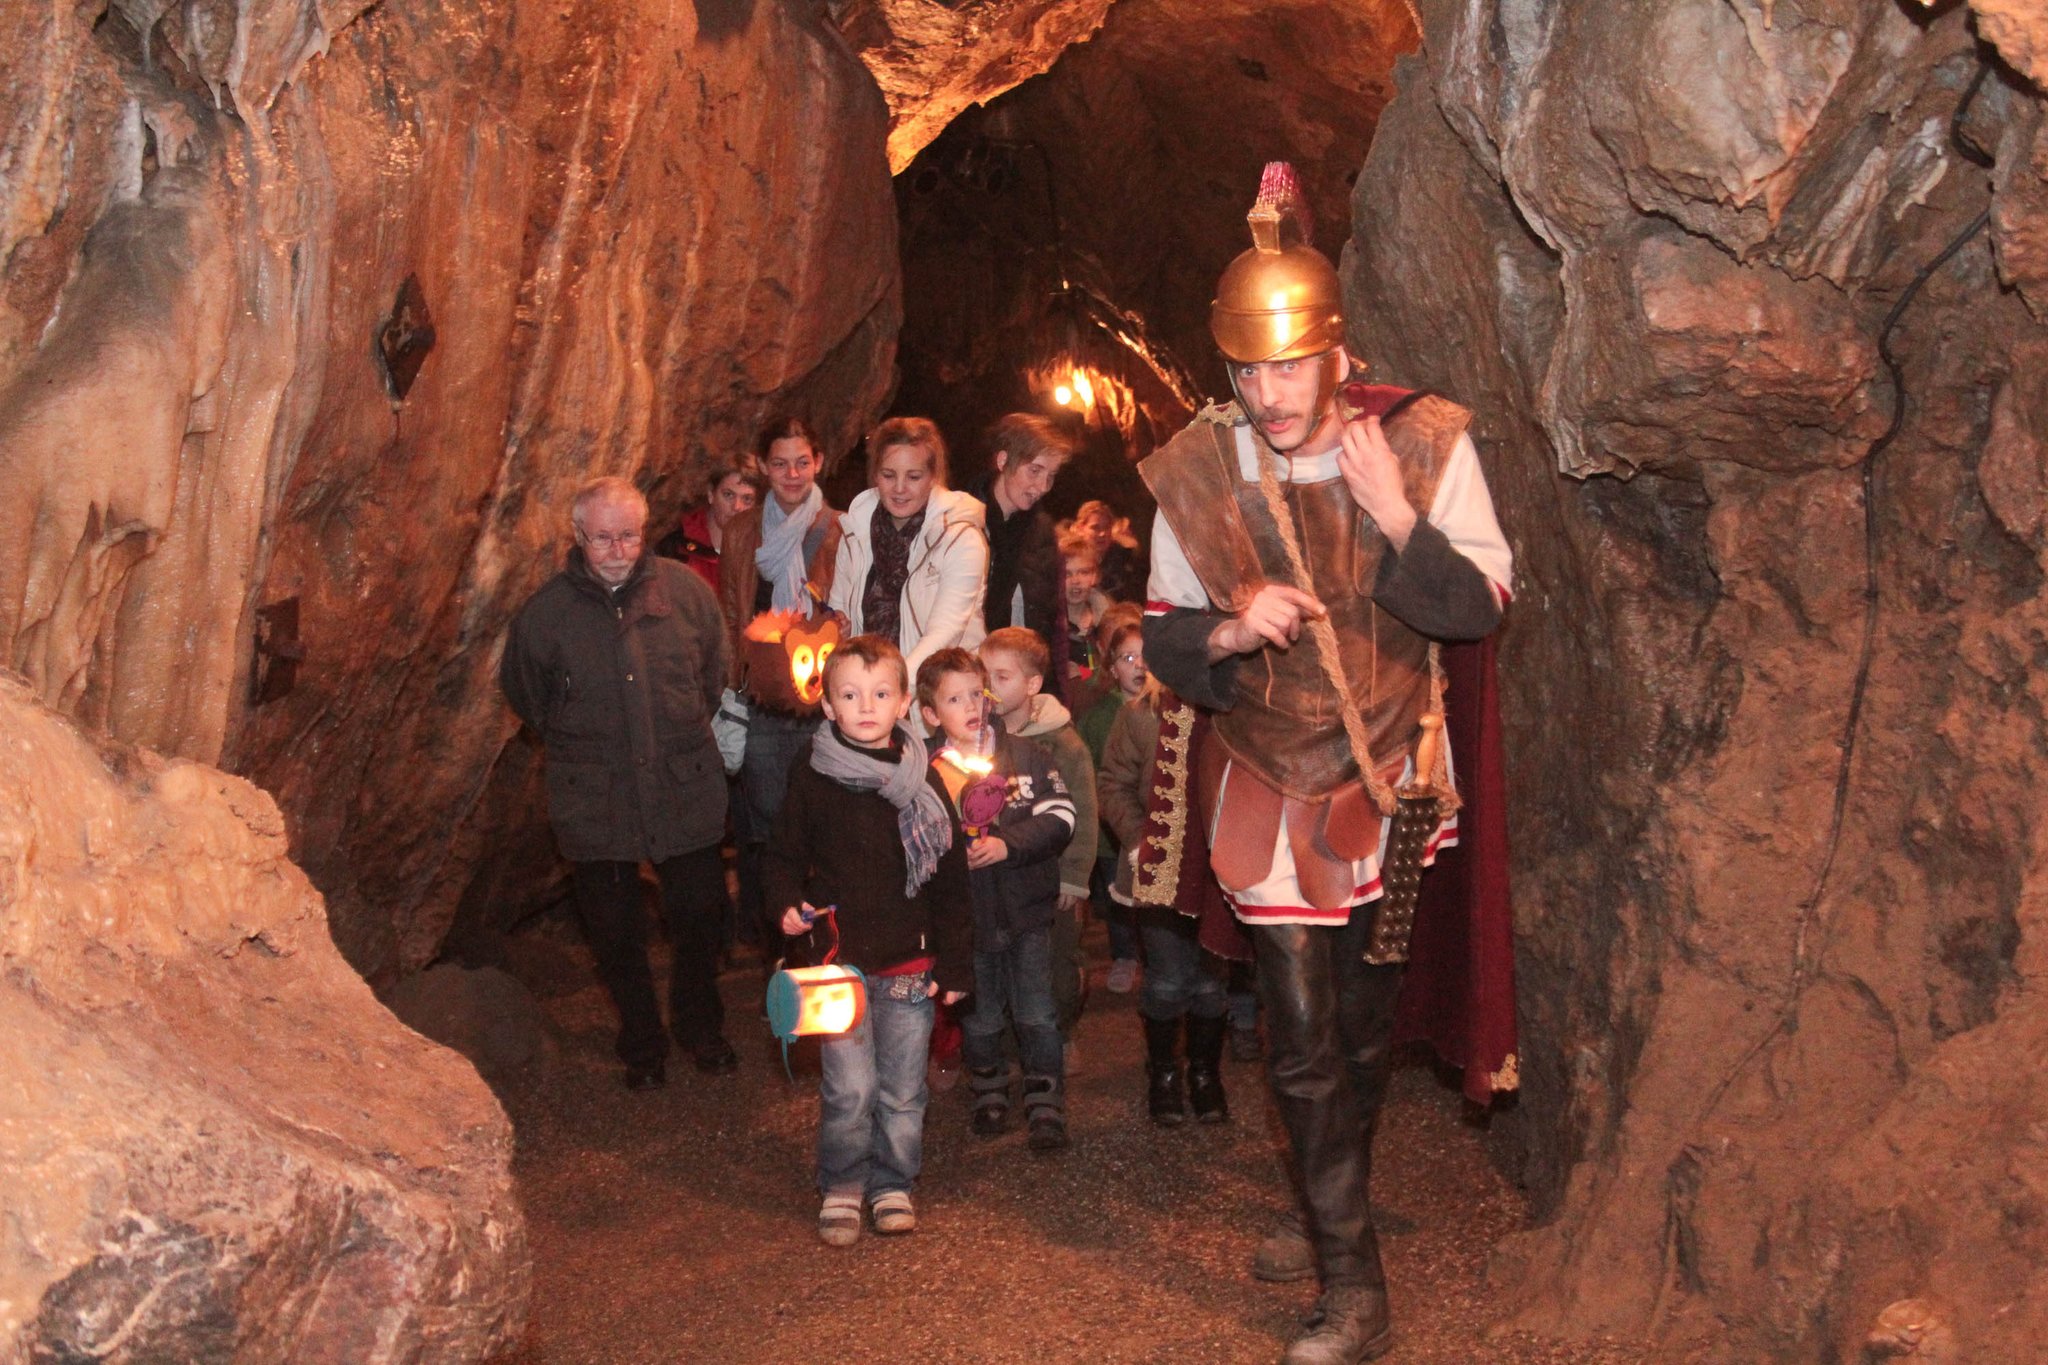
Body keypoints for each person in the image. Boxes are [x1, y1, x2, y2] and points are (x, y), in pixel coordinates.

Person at [1140, 164, 1511, 1364]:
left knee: (1359, 1024)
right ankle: (1355, 1288)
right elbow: (1160, 634)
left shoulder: (1426, 441)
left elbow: (1479, 609)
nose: (1267, 393)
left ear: (1332, 354)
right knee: (1296, 1028)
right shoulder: (1196, 469)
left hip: (1393, 771)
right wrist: (1227, 629)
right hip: (1262, 776)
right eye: (1247, 371)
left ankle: (1321, 1199)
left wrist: (1396, 516)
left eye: (1287, 367)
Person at [500, 476, 739, 1090]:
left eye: (628, 535)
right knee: (614, 930)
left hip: (682, 780)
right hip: (595, 792)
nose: (616, 549)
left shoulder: (684, 593)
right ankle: (641, 1041)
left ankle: (699, 1026)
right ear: (579, 537)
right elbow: (528, 693)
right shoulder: (548, 613)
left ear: (644, 530)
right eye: (602, 537)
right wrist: (584, 737)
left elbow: (713, 671)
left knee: (698, 913)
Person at [763, 635, 973, 1246]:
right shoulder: (812, 775)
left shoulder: (925, 784)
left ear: (905, 701)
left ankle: (893, 1182)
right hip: (840, 963)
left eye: (881, 693)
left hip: (910, 958)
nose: (866, 706)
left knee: (903, 1086)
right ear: (827, 706)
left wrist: (957, 962)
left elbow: (951, 880)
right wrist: (784, 906)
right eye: (850, 694)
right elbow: (781, 855)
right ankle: (844, 1183)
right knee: (850, 1086)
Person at [916, 648, 1077, 1150]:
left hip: (1025, 909)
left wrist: (1009, 844)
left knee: (1035, 1011)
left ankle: (1045, 1099)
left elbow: (1061, 818)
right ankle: (988, 1089)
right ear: (929, 714)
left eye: (976, 695)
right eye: (953, 698)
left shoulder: (1027, 757)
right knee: (980, 1015)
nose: (970, 706)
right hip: (966, 920)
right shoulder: (923, 771)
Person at [1095, 632, 1233, 1126]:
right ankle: (1164, 1074)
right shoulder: (1139, 715)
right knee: (1169, 980)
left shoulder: (1231, 714)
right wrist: (1138, 841)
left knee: (1211, 986)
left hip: (1220, 872)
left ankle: (1204, 1072)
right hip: (1160, 868)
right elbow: (1112, 783)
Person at [718, 418, 843, 951]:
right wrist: (735, 683)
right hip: (765, 699)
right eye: (779, 463)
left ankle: (826, 940)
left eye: (802, 462)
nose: (791, 474)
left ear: (818, 462)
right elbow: (731, 611)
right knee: (768, 823)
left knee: (825, 818)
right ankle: (783, 943)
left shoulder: (840, 527)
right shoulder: (745, 529)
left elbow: (848, 610)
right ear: (764, 467)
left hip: (822, 696)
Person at [979, 627, 1097, 1065]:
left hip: (1051, 877)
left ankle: (1060, 1033)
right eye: (983, 674)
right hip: (1003, 876)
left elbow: (1082, 810)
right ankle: (1007, 1045)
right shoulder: (979, 739)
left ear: (1032, 684)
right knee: (1001, 959)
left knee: (1056, 962)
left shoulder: (1061, 742)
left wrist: (1074, 876)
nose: (989, 686)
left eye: (1002, 676)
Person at [828, 417, 989, 680]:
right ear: (875, 475)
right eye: (888, 475)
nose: (899, 489)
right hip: (868, 685)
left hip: (939, 692)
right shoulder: (855, 529)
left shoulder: (961, 538)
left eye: (913, 476)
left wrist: (893, 686)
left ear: (933, 477)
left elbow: (945, 633)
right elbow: (839, 607)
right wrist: (838, 627)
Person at [965, 414, 1076, 678]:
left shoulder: (1041, 532)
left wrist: (1055, 686)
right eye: (1034, 470)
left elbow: (1054, 620)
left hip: (1024, 676)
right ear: (1003, 461)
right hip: (970, 668)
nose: (1042, 487)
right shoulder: (963, 521)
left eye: (1050, 476)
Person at [1074, 604, 1147, 994]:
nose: (1139, 666)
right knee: (1117, 897)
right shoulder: (1099, 716)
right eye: (1128, 658)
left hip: (1153, 826)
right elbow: (1089, 770)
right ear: (1113, 668)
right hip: (1109, 831)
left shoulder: (1169, 710)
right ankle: (1124, 954)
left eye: (1145, 655)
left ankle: (1150, 956)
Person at [657, 456, 759, 592]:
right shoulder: (675, 550)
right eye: (728, 495)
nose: (737, 507)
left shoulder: (764, 554)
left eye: (747, 499)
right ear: (711, 494)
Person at [1057, 525, 1113, 704]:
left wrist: (1085, 673)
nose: (1076, 581)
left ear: (1095, 576)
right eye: (1067, 574)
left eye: (1084, 572)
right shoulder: (1050, 626)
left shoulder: (1109, 622)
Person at [1070, 498, 1144, 603]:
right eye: (1095, 528)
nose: (1102, 534)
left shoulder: (1126, 563)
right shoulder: (1069, 561)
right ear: (1081, 529)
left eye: (1106, 527)